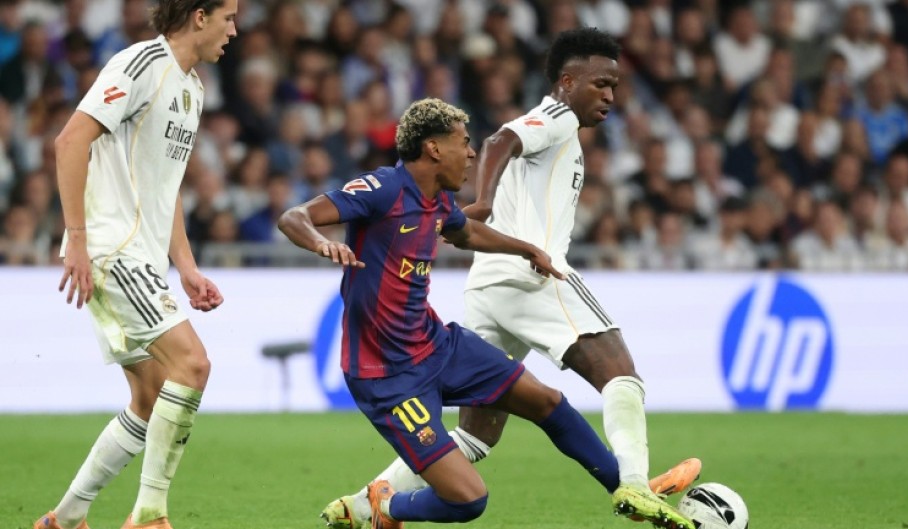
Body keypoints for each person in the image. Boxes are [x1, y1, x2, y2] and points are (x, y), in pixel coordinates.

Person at [323, 28, 699, 529]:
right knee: (620, 373)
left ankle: (366, 503)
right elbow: (502, 139)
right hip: (532, 279)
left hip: (491, 283)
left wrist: (488, 221)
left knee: (478, 434)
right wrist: (484, 200)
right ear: (568, 81)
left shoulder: (564, 134)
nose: (611, 95)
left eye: (615, 85)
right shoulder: (558, 117)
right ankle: (632, 484)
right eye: (601, 83)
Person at [33, 1, 237, 528]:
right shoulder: (142, 64)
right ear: (199, 16)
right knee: (192, 365)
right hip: (110, 249)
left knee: (150, 397)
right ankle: (148, 516)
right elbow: (70, 140)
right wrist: (78, 238)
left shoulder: (192, 91)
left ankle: (68, 517)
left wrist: (186, 266)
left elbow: (162, 190)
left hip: (139, 256)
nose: (234, 30)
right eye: (228, 17)